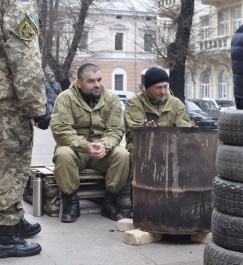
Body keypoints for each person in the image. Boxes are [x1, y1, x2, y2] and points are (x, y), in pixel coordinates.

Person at [50, 63, 130, 223]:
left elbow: (116, 130)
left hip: (101, 152)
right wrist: (85, 146)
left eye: (99, 80)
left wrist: (104, 146)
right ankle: (71, 202)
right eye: (91, 81)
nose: (97, 84)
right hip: (76, 152)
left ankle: (110, 201)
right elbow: (60, 130)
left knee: (123, 154)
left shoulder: (112, 99)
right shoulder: (65, 98)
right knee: (63, 153)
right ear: (79, 83)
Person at [0, 0, 47, 258]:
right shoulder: (19, 2)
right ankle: (5, 234)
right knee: (11, 162)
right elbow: (24, 55)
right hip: (8, 101)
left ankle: (13, 218)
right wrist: (37, 105)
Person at [124, 67, 192, 153]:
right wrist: (147, 132)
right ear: (148, 88)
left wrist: (192, 132)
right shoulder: (134, 103)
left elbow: (184, 130)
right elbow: (132, 134)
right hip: (142, 146)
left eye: (165, 86)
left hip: (171, 146)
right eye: (158, 87)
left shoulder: (177, 104)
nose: (163, 91)